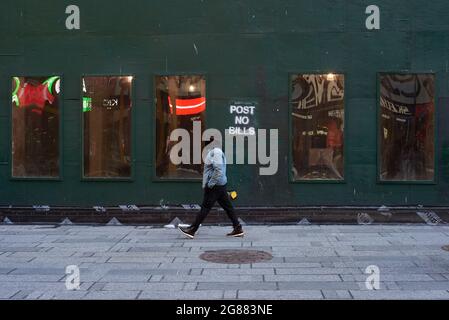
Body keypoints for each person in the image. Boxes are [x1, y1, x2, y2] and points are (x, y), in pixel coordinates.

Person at [179, 138, 244, 239]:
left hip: (215, 186)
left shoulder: (215, 152)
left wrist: (210, 184)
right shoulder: (215, 152)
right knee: (228, 207)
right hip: (220, 185)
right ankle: (237, 228)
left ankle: (192, 229)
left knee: (205, 207)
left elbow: (218, 170)